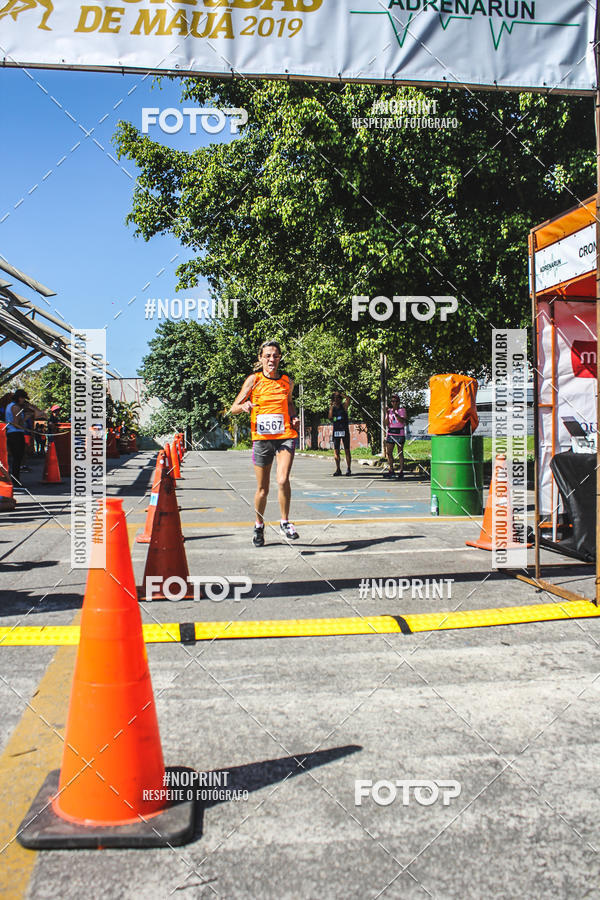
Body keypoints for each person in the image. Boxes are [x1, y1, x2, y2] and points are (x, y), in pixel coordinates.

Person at [230, 340, 300, 547]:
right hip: (261, 439)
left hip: (285, 435)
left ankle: (285, 522)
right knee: (263, 488)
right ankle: (259, 525)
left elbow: (289, 403)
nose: (272, 359)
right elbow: (233, 407)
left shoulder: (287, 381)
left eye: (275, 356)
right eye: (267, 356)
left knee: (283, 479)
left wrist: (294, 417)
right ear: (260, 358)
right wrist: (244, 406)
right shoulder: (254, 380)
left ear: (280, 358)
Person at [5, 389, 29, 484]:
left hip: (11, 433)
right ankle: (15, 479)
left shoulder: (9, 406)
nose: (24, 400)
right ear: (19, 398)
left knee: (16, 458)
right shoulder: (16, 407)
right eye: (23, 398)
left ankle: (14, 478)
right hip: (16, 434)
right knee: (17, 458)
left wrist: (25, 418)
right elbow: (16, 423)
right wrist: (26, 428)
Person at [383, 394, 407, 479]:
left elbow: (402, 421)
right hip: (391, 432)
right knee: (389, 452)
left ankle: (401, 471)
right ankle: (391, 470)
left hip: (399, 432)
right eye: (393, 401)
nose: (394, 403)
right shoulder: (389, 411)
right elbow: (386, 423)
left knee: (400, 452)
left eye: (396, 401)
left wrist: (396, 414)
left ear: (398, 402)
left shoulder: (402, 410)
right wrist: (387, 413)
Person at [329, 391, 352, 476]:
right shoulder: (333, 407)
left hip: (344, 429)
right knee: (336, 450)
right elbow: (330, 417)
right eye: (335, 398)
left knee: (347, 450)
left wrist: (341, 394)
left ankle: (348, 468)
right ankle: (338, 469)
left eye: (338, 397)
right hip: (336, 430)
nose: (336, 399)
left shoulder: (344, 406)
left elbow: (348, 399)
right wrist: (331, 406)